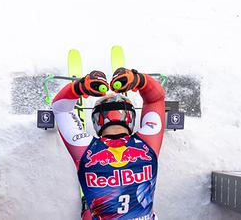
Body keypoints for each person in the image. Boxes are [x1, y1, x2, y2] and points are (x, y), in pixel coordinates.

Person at [52, 68, 165, 220]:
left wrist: (79, 87)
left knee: (87, 214)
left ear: (98, 121)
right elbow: (156, 99)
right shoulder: (148, 143)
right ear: (129, 118)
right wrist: (140, 80)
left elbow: (60, 108)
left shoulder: (85, 149)